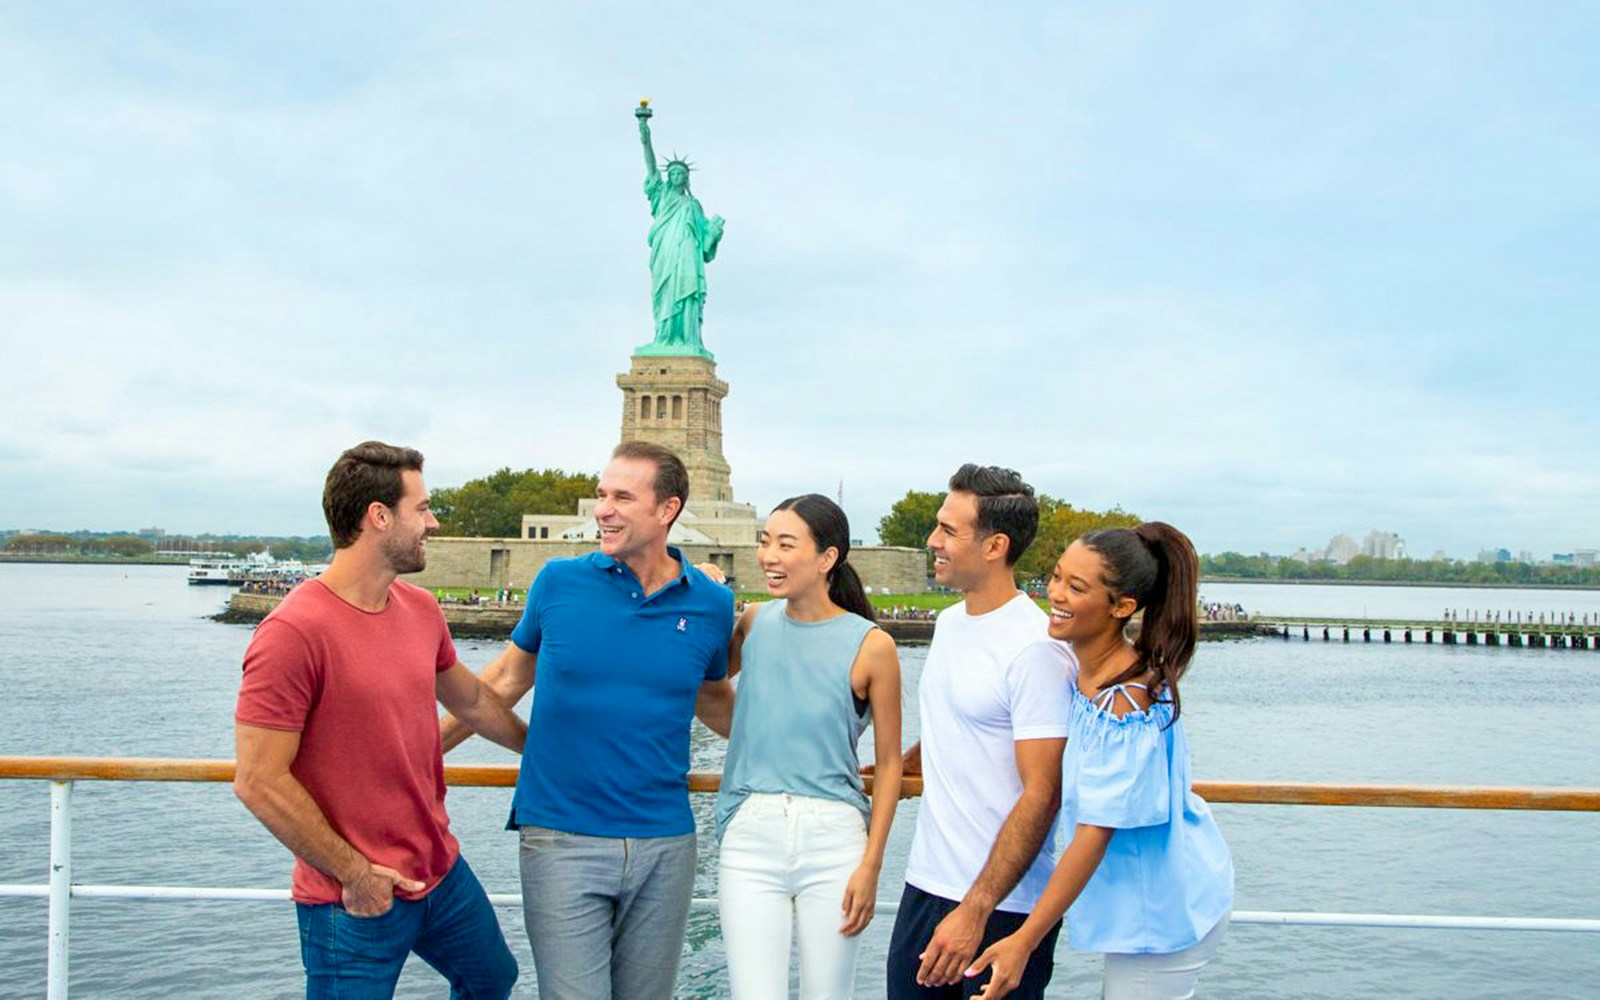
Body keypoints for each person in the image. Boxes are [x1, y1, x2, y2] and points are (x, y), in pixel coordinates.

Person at [440, 440, 736, 1000]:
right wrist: (417, 756)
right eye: (602, 494)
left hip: (666, 844)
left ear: (667, 509)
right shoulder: (557, 583)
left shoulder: (710, 605)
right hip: (560, 837)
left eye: (623, 497)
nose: (603, 509)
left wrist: (813, 760)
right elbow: (500, 685)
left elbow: (714, 698)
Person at [233, 441, 526, 1000]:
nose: (433, 523)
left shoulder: (420, 609)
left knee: (492, 978)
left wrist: (544, 753)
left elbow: (473, 702)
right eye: (423, 508)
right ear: (379, 516)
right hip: (353, 895)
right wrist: (355, 875)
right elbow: (258, 779)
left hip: (439, 872)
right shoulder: (293, 632)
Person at [967, 524, 1233, 1000]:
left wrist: (1023, 941)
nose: (1055, 594)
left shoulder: (1127, 703)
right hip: (1143, 904)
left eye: (1077, 586)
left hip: (1164, 909)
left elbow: (1094, 834)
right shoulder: (1085, 674)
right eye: (1055, 576)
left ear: (1122, 606)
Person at [886, 465, 1073, 999]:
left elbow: (1044, 791)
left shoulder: (1035, 646)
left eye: (948, 530)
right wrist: (896, 769)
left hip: (1000, 907)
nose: (932, 541)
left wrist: (976, 908)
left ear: (994, 546)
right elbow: (962, 726)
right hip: (926, 885)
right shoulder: (949, 624)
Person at [716, 494, 903, 998]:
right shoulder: (752, 622)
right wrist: (698, 592)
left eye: (785, 544)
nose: (768, 556)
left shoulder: (873, 645)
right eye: (764, 542)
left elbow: (888, 766)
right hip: (749, 834)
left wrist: (871, 865)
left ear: (827, 558)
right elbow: (697, 679)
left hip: (836, 840)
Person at [637, 108, 725, 353]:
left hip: (687, 256)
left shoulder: (694, 206)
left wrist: (714, 234)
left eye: (681, 174)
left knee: (687, 294)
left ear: (687, 179)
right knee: (665, 293)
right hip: (665, 253)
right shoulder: (661, 195)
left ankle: (688, 339)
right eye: (672, 173)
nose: (676, 176)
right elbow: (651, 165)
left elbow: (705, 250)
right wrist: (645, 134)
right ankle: (663, 338)